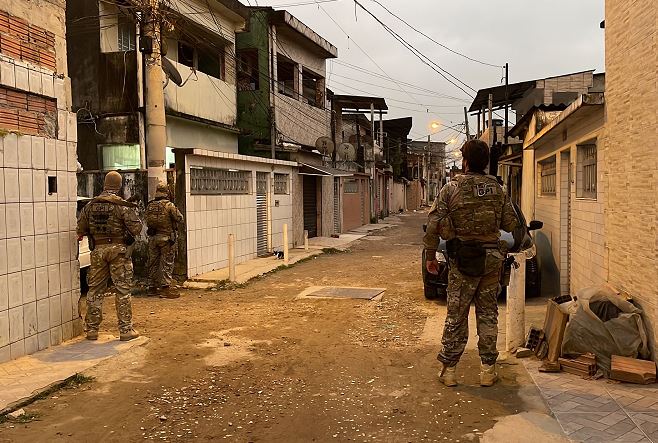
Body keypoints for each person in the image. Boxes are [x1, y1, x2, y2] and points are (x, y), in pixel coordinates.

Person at [423, 140, 519, 387]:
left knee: (457, 314)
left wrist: (431, 256)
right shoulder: (498, 189)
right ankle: (488, 371)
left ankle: (449, 371)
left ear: (465, 161)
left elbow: (433, 224)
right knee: (488, 313)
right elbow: (510, 224)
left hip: (463, 261)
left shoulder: (451, 189)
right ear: (485, 162)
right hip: (491, 261)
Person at [77, 171, 143, 341]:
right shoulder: (122, 206)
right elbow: (137, 228)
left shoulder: (90, 206)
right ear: (119, 186)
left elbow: (80, 228)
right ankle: (126, 330)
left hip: (98, 252)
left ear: (104, 184)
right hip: (118, 252)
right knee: (122, 290)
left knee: (95, 290)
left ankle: (92, 330)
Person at [145, 181, 184, 295]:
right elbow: (180, 218)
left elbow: (146, 220)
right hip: (166, 239)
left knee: (153, 263)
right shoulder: (169, 205)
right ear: (166, 192)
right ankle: (165, 287)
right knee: (166, 262)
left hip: (153, 238)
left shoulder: (150, 205)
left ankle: (151, 287)